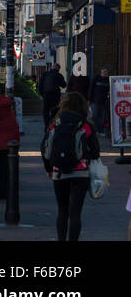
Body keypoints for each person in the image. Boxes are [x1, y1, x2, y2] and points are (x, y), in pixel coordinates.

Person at [42, 92, 99, 241]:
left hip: (59, 172)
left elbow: (45, 148)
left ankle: (61, 239)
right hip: (81, 174)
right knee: (75, 213)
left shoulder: (55, 123)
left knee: (62, 210)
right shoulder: (86, 125)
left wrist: (49, 169)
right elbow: (95, 152)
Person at [90, 69, 111, 136]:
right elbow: (91, 89)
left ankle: (101, 130)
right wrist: (89, 99)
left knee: (102, 117)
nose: (106, 74)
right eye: (106, 73)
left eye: (107, 73)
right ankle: (96, 130)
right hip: (95, 101)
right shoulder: (96, 78)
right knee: (95, 116)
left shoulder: (108, 80)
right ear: (102, 72)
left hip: (104, 102)